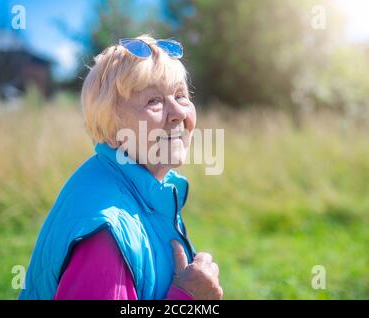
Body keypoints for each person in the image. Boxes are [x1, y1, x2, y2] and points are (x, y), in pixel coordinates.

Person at [19, 34, 223, 300]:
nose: (179, 113)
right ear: (113, 128)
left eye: (181, 95)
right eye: (154, 101)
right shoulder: (106, 234)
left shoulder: (146, 190)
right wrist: (188, 298)